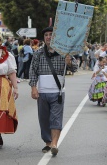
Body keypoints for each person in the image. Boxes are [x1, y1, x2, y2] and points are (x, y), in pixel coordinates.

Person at [29, 26, 78, 155]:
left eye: (51, 34)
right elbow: (33, 71)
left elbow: (74, 68)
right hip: (42, 92)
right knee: (44, 118)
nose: (48, 37)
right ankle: (48, 142)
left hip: (58, 92)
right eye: (46, 35)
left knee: (56, 118)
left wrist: (69, 62)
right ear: (43, 38)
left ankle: (54, 144)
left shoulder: (64, 52)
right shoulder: (38, 53)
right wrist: (33, 87)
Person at [0, 31, 18, 148]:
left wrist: (16, 88)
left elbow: (12, 72)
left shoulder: (8, 56)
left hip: (2, 86)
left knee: (0, 109)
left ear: (0, 41)